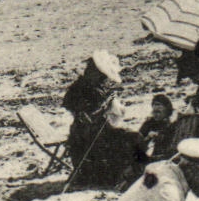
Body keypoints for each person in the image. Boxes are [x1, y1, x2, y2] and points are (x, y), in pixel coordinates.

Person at [62, 51, 144, 187]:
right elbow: (85, 115)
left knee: (134, 136)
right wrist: (103, 106)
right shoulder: (79, 88)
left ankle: (130, 173)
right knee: (130, 138)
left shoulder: (95, 86)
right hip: (85, 136)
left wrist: (108, 103)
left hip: (99, 131)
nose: (102, 78)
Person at [139, 93, 180, 161]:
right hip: (151, 156)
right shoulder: (148, 123)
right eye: (154, 112)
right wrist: (148, 138)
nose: (155, 115)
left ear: (167, 111)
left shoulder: (173, 125)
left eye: (158, 112)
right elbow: (138, 143)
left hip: (167, 156)